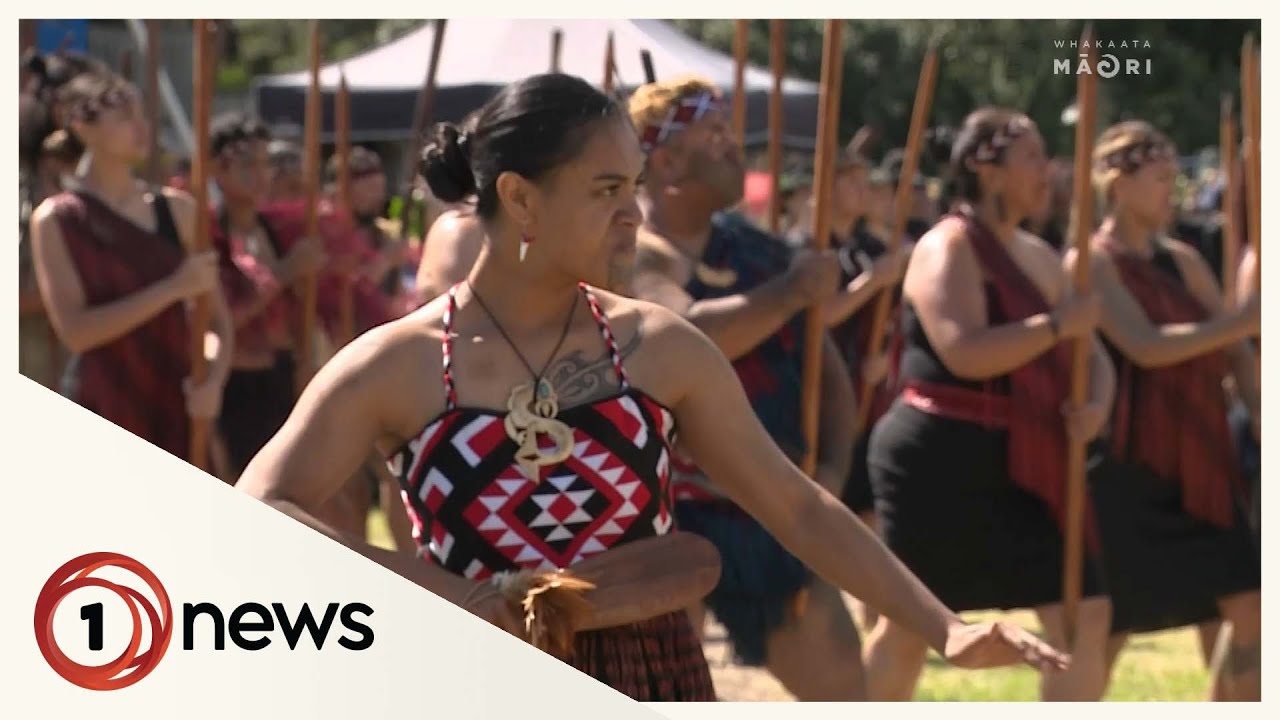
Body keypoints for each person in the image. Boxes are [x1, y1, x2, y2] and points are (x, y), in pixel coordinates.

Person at [236, 73, 1068, 702]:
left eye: (635, 186)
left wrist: (946, 626)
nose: (634, 213)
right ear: (521, 198)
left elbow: (795, 505)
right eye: (607, 191)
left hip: (651, 676)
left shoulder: (660, 347)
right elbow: (264, 512)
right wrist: (459, 597)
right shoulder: (397, 363)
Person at [862, 108, 1115, 701]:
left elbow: (1095, 356)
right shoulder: (944, 246)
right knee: (906, 626)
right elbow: (965, 352)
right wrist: (1056, 325)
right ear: (987, 170)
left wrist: (1097, 406)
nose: (1046, 172)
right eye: (1031, 158)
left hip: (1029, 459)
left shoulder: (1039, 254)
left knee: (1086, 613)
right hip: (937, 456)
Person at [627, 76, 865, 699]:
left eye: (732, 133)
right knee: (653, 689)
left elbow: (832, 380)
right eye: (714, 135)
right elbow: (680, 336)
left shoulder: (763, 251)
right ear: (667, 160)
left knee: (841, 674)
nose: (736, 149)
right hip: (663, 514)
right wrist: (790, 292)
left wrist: (834, 469)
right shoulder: (624, 254)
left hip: (769, 501)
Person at [1069, 121, 1261, 701]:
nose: (1171, 191)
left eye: (1175, 178)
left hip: (1201, 459)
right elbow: (1146, 346)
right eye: (1159, 178)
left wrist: (1263, 418)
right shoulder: (1091, 262)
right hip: (1129, 462)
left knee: (1250, 609)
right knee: (1110, 631)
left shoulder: (1183, 260)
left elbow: (1235, 354)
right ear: (1117, 183)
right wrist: (1248, 318)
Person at [28, 66, 235, 465]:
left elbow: (219, 322)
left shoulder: (177, 211)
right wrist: (173, 288)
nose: (141, 128)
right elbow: (78, 332)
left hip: (175, 396)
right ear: (82, 127)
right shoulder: (57, 220)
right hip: (104, 402)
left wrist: (214, 381)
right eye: (125, 117)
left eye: (143, 116)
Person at [207, 113, 326, 478]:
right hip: (232, 384)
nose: (260, 175)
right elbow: (220, 316)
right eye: (246, 165)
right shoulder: (209, 233)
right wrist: (286, 271)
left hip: (280, 375)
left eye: (264, 164)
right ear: (218, 170)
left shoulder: (277, 229)